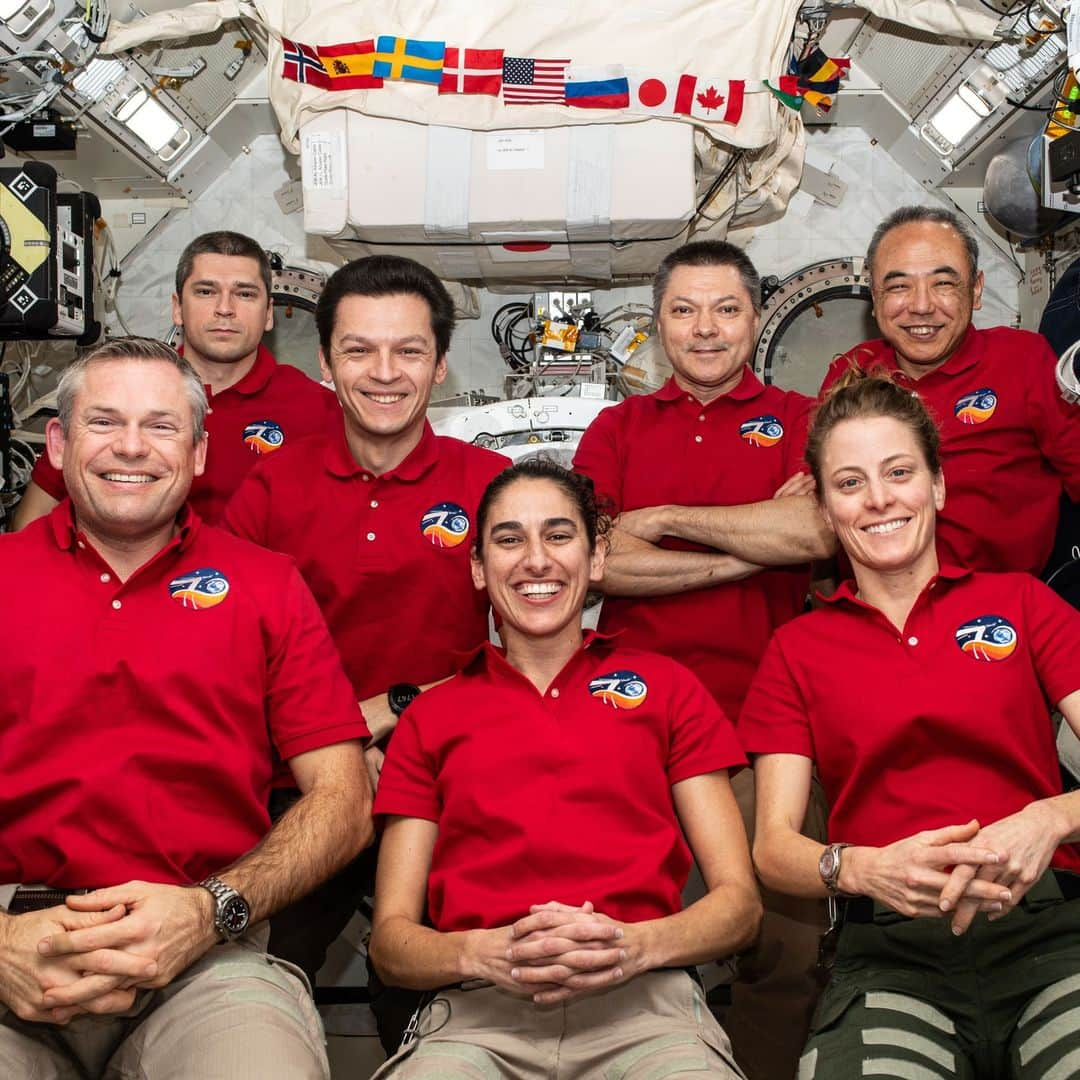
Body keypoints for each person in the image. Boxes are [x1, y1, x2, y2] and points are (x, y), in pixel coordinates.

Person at [0, 337, 372, 1079]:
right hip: (14, 939)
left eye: (161, 426)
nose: (131, 448)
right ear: (59, 442)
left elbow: (346, 799)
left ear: (200, 453)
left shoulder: (268, 585)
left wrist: (213, 910)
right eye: (104, 422)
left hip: (202, 955)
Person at [368, 457, 761, 1078]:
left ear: (596, 557)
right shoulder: (431, 718)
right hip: (477, 1020)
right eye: (508, 540)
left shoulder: (670, 689)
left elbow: (739, 905)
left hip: (647, 1011)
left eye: (558, 535)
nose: (536, 560)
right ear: (477, 568)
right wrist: (483, 953)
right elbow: (391, 943)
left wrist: (632, 947)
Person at [742, 373, 1080, 1078]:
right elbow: (773, 848)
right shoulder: (797, 649)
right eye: (850, 483)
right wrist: (861, 866)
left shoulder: (1020, 603)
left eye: (899, 473)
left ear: (938, 486)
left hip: (1050, 936)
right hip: (891, 958)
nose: (879, 500)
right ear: (827, 510)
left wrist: (1048, 818)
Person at [573, 239, 836, 1079]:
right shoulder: (617, 428)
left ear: (757, 318)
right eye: (684, 310)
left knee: (785, 952)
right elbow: (599, 560)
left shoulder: (802, 419)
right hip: (630, 727)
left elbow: (819, 531)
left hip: (771, 728)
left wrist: (663, 517)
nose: (706, 328)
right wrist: (755, 540)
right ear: (659, 324)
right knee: (621, 936)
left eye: (726, 308)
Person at [223, 255, 507, 1021]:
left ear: (441, 365)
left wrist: (399, 707)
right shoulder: (271, 488)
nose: (385, 373)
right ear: (324, 362)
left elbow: (530, 655)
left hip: (446, 788)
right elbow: (228, 657)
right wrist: (342, 747)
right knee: (252, 988)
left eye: (408, 350)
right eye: (359, 350)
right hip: (299, 791)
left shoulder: (491, 485)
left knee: (441, 1006)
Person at [13, 230, 338, 528]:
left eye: (245, 294)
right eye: (206, 291)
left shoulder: (317, 409)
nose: (224, 308)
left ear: (268, 313)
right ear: (178, 308)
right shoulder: (115, 396)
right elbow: (32, 521)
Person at [820, 204, 1080, 575]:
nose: (922, 306)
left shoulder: (1022, 360)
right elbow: (820, 511)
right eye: (898, 287)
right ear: (875, 299)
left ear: (975, 290)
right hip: (881, 611)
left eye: (943, 283)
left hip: (1003, 615)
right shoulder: (850, 373)